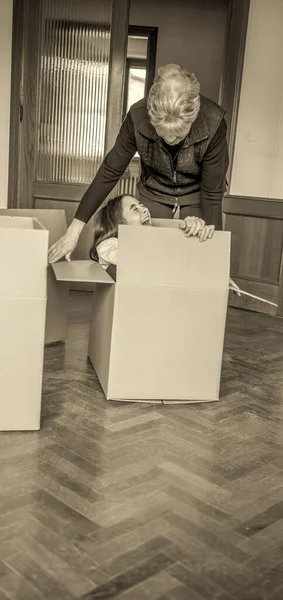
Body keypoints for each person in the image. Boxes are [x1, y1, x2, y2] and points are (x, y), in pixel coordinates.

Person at [48, 63, 229, 264]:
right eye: (163, 132)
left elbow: (212, 195)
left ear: (193, 118)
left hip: (197, 191)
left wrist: (217, 261)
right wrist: (74, 230)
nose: (170, 140)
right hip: (155, 187)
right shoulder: (137, 116)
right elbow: (109, 171)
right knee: (148, 253)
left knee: (197, 252)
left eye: (178, 135)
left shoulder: (213, 122)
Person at [90, 194, 215, 270]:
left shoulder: (153, 238)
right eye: (135, 209)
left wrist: (193, 230)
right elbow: (129, 258)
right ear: (119, 222)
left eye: (142, 205)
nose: (144, 210)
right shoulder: (108, 245)